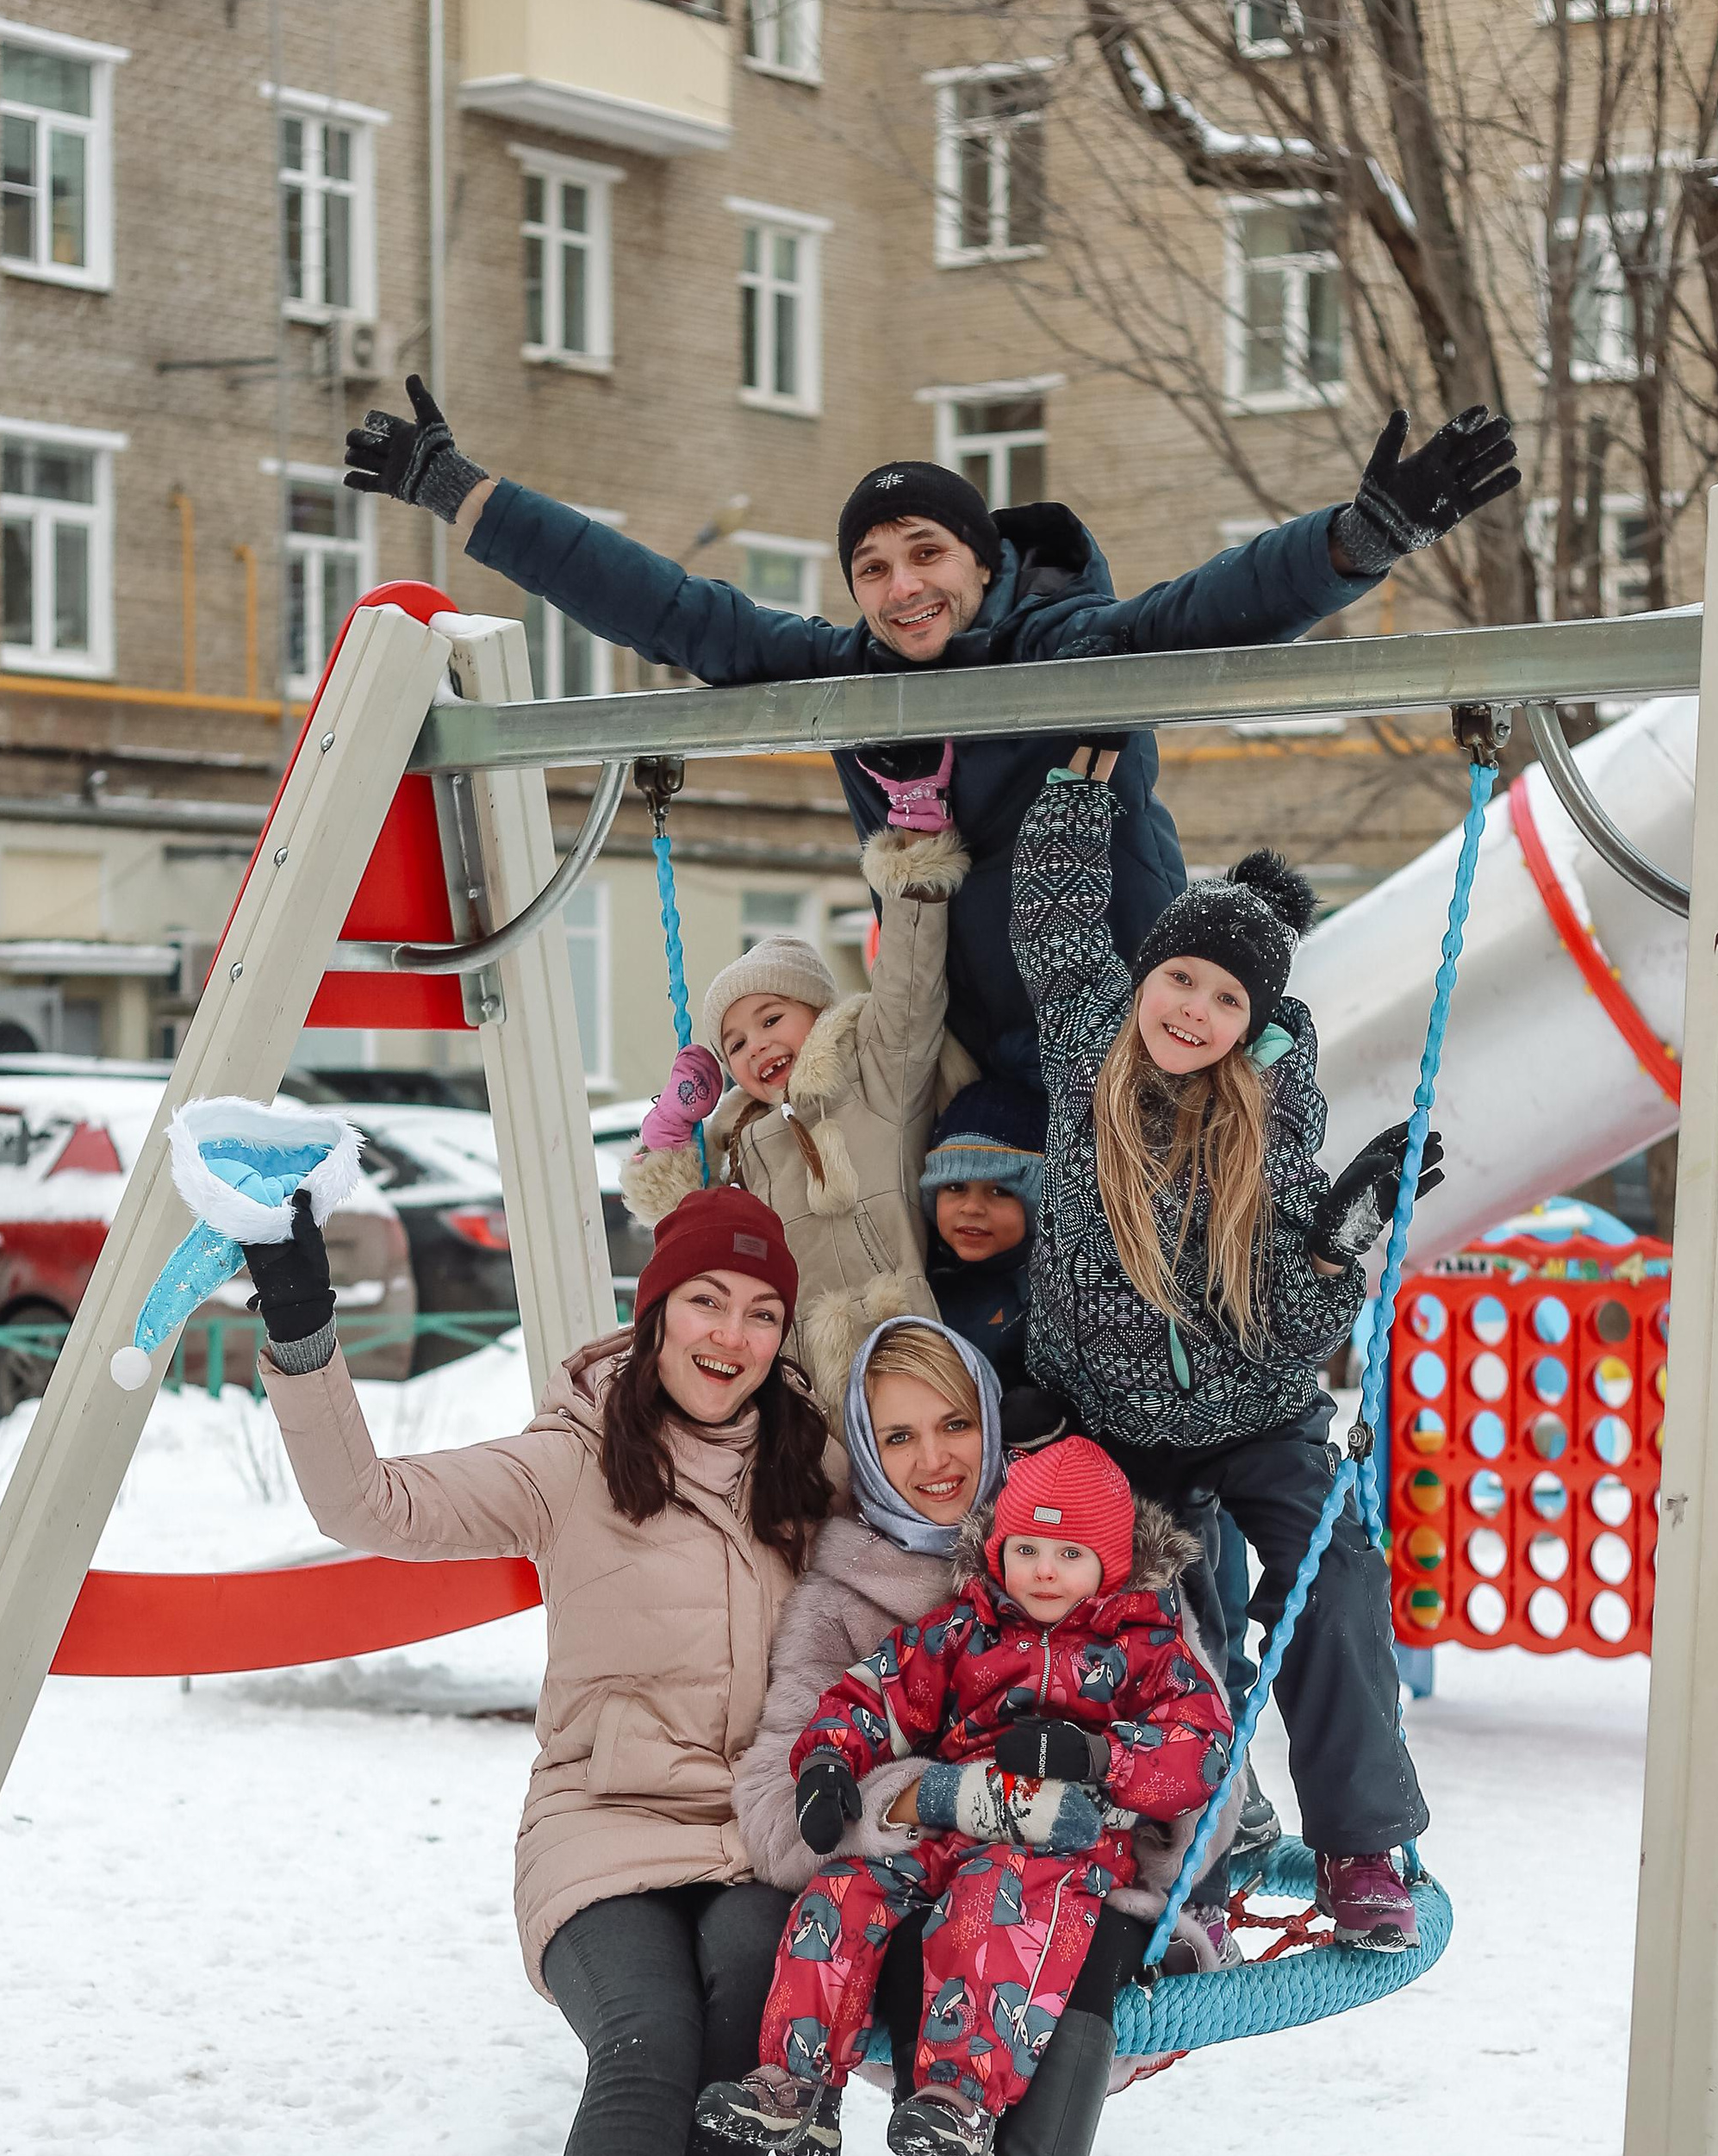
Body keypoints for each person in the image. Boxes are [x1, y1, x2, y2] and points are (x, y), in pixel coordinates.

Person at [341, 384, 1516, 1086]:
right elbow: (671, 609)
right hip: (960, 1065)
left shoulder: (1063, 647)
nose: (902, 588)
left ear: (982, 562)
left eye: (926, 555)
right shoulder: (845, 677)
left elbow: (1207, 610)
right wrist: (466, 497)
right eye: (873, 568)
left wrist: (1357, 541)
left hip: (1122, 1038)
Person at [239, 1183, 833, 2156]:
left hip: (756, 1831)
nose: (732, 1336)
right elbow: (366, 1501)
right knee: (647, 2044)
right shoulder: (573, 1457)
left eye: (761, 1313)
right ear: (655, 1310)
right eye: (706, 1302)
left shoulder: (816, 1468)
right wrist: (303, 1328)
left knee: (759, 1991)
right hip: (602, 1824)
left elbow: (941, 1552)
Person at [1012, 760, 1448, 1947]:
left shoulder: (1273, 1122)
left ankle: (1361, 1844)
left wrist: (1330, 1255)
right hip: (1110, 1419)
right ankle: (1199, 1836)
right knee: (1165, 1621)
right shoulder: (1086, 1048)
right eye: (1181, 978)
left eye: (1225, 1000)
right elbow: (1053, 923)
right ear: (1146, 976)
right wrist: (1074, 800)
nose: (1193, 1010)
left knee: (1333, 1574)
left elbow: (1286, 1331)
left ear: (1252, 1026)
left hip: (1256, 1412)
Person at [699, 1434, 1231, 2156]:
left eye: (1070, 1554)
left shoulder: (1147, 1651)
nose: (1044, 1570)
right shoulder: (963, 1630)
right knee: (843, 1891)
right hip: (957, 1818)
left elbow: (1200, 1750)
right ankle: (796, 2085)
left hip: (1065, 1844)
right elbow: (875, 1694)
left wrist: (1099, 1755)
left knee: (994, 1900)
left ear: (1111, 1564)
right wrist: (826, 1761)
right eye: (1027, 1549)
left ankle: (961, 2097)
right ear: (999, 1551)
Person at [620, 820, 965, 1421]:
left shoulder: (875, 1078)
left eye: (771, 1018)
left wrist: (915, 862)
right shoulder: (740, 1147)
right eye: (735, 1044)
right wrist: (670, 1129)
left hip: (906, 1345)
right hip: (802, 1381)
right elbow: (686, 1228)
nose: (755, 1044)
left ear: (819, 1012)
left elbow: (910, 984)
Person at [919, 1077, 1047, 1394]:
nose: (973, 1208)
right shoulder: (921, 1273)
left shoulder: (1045, 1296)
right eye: (955, 1187)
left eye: (1000, 1191)